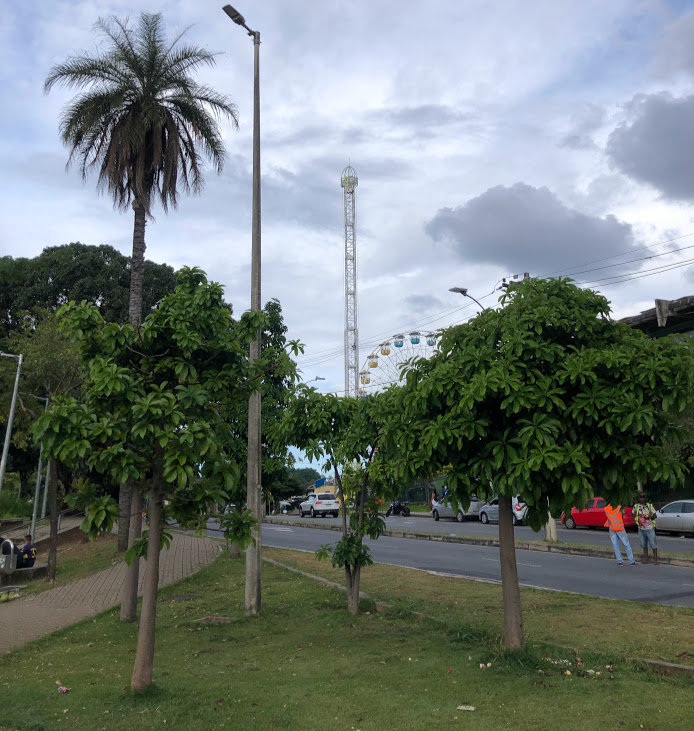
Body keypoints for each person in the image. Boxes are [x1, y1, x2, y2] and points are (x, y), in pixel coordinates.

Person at [632, 492, 658, 565]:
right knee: (644, 544)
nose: (642, 499)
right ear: (638, 498)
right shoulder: (636, 506)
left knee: (653, 544)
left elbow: (655, 515)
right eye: (640, 497)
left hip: (649, 528)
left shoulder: (649, 506)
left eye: (643, 497)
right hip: (641, 528)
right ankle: (646, 558)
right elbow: (632, 513)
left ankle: (655, 559)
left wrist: (649, 517)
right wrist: (635, 521)